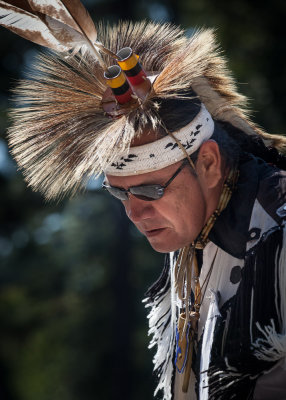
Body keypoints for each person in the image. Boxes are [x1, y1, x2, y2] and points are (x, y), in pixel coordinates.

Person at [1, 4, 285, 399]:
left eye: (151, 190)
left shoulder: (278, 234)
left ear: (208, 164)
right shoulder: (194, 235)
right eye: (119, 192)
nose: (134, 212)